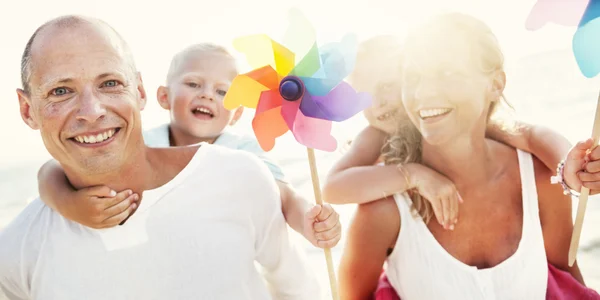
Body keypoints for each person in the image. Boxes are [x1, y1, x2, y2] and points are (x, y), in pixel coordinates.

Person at [0, 15, 320, 300]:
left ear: (139, 92)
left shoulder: (242, 173)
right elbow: (51, 172)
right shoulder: (14, 252)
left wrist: (312, 218)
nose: (92, 112)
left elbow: (299, 290)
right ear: (28, 110)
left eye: (110, 83)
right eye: (61, 91)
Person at [333, 13, 587, 299]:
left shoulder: (539, 181)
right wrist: (413, 175)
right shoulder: (382, 212)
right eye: (413, 77)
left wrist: (570, 169)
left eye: (448, 73)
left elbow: (570, 286)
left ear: (495, 84)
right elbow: (332, 187)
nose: (425, 92)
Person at [35, 43, 342, 250]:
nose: (207, 95)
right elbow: (52, 171)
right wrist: (69, 204)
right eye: (194, 84)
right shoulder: (140, 143)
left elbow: (283, 196)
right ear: (163, 97)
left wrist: (307, 221)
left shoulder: (244, 152)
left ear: (236, 113)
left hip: (226, 256)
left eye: (222, 91)